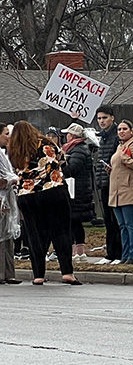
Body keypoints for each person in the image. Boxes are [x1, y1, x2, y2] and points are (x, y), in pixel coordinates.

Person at [9, 121, 78, 285]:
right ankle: (67, 272)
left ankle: (38, 274)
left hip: (27, 195)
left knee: (35, 235)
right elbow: (62, 162)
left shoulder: (14, 150)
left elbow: (14, 170)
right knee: (61, 231)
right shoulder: (47, 143)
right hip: (52, 190)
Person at [108, 120, 133, 265]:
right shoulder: (120, 147)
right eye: (119, 129)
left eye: (124, 129)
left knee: (132, 225)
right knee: (122, 226)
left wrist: (125, 159)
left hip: (131, 191)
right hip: (117, 193)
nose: (121, 131)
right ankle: (125, 256)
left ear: (131, 130)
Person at [60, 123, 96, 262]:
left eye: (68, 134)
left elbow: (72, 169)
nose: (66, 137)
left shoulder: (79, 150)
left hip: (77, 190)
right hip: (77, 189)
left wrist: (62, 165)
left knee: (74, 220)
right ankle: (77, 250)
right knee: (74, 221)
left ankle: (78, 252)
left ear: (73, 136)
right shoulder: (77, 149)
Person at [93, 105, 122, 265]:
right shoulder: (102, 137)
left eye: (104, 118)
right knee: (108, 220)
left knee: (116, 220)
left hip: (115, 183)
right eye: (99, 118)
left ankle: (118, 253)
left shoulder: (117, 135)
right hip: (104, 182)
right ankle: (110, 253)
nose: (102, 121)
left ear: (112, 117)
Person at [0, 124, 21, 283]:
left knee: (7, 236)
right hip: (2, 198)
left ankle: (8, 272)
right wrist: (11, 180)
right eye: (6, 134)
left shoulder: (3, 155)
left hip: (6, 198)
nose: (9, 137)